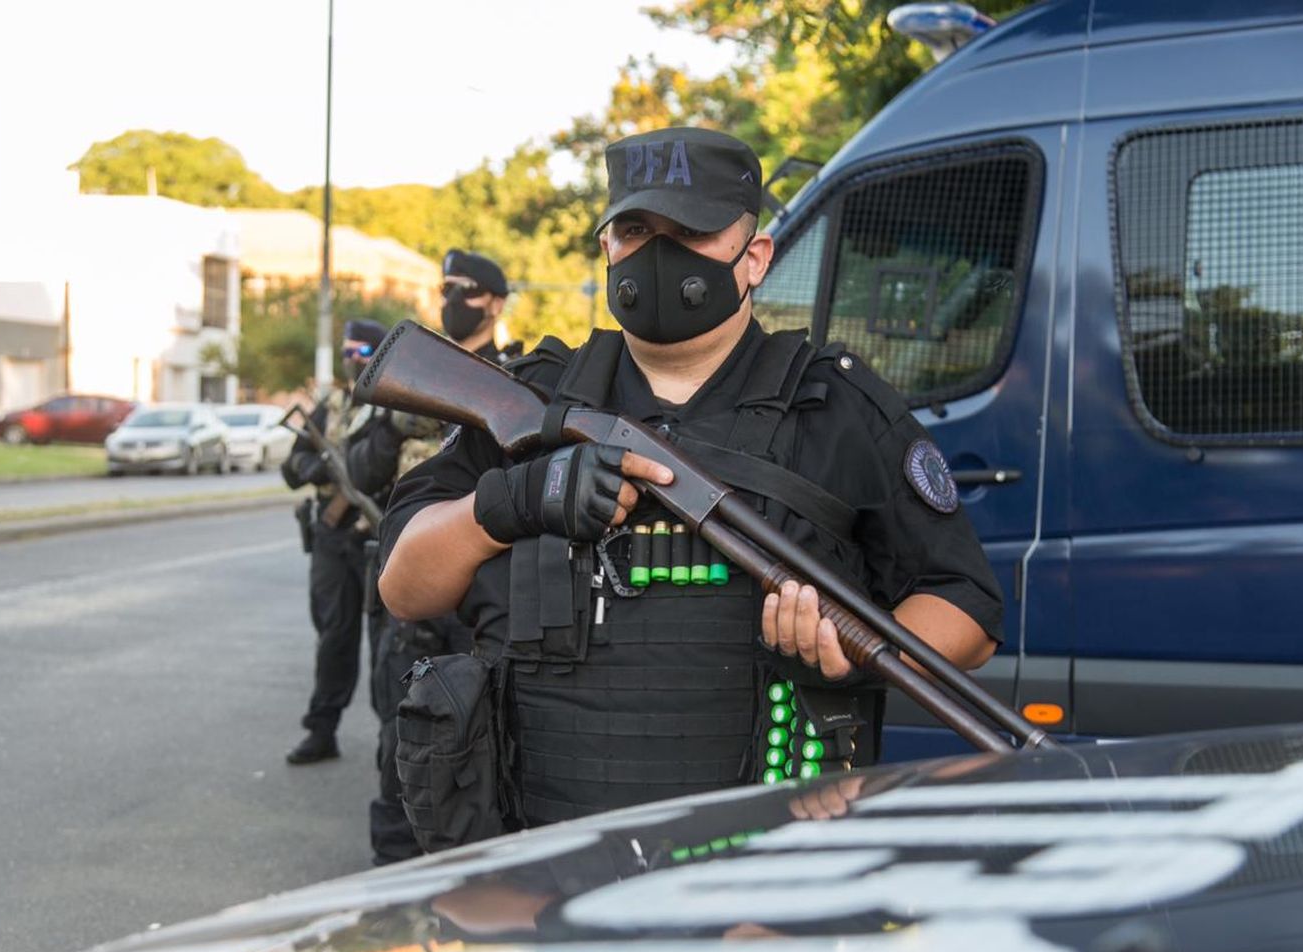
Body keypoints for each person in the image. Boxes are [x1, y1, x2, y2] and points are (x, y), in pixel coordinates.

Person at [378, 126, 1004, 829]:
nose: (658, 252)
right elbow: (403, 589)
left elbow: (970, 614)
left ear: (755, 255)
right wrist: (506, 504)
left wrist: (857, 651)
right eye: (635, 228)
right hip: (542, 878)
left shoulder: (838, 410)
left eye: (691, 230)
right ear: (607, 247)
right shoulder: (532, 399)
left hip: (766, 886)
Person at [346, 253, 510, 863]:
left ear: (494, 301)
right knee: (400, 751)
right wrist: (391, 424)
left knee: (479, 760)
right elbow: (360, 468)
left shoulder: (522, 378)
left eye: (461, 290)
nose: (448, 300)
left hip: (478, 603)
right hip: (408, 584)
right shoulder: (415, 375)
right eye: (442, 289)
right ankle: (394, 906)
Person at [281, 319, 387, 765]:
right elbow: (292, 466)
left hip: (378, 533)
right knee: (333, 635)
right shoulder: (331, 406)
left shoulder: (393, 405)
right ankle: (322, 728)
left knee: (390, 646)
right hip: (331, 535)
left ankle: (396, 739)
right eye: (347, 351)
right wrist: (318, 467)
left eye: (362, 353)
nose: (351, 360)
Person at [439, 247, 518, 357]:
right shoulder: (417, 358)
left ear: (497, 304)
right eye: (447, 289)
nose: (454, 299)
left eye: (470, 290)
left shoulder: (500, 373)